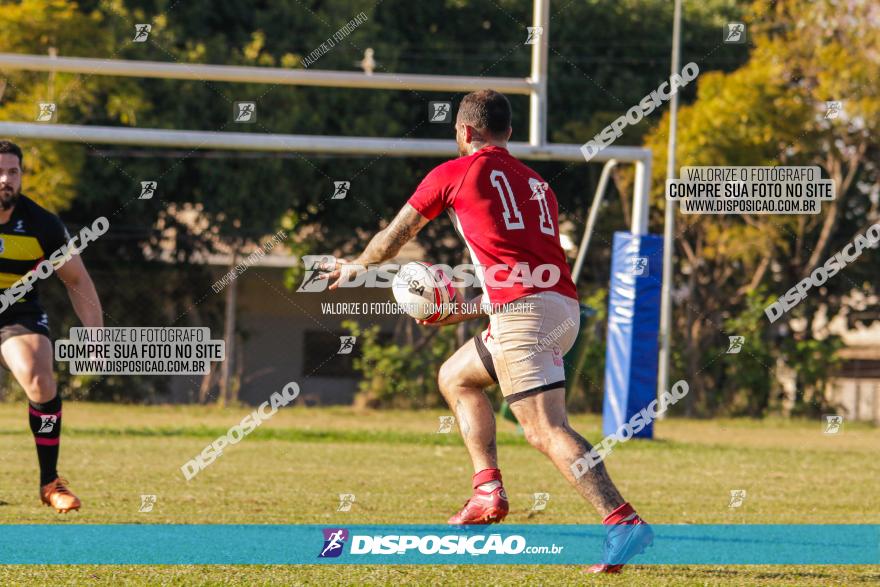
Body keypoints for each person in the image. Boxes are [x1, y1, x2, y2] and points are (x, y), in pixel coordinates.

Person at [322, 90, 652, 573]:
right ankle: (487, 491)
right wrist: (465, 310)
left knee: (545, 429)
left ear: (463, 132)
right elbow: (524, 274)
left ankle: (621, 521)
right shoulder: (539, 183)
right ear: (509, 134)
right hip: (557, 305)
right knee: (456, 376)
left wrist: (356, 266)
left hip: (525, 314)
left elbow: (394, 237)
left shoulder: (452, 174)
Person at [0, 140, 104, 513]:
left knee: (41, 379)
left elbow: (77, 281)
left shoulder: (43, 224)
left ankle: (50, 482)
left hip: (17, 314)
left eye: (13, 171)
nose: (5, 179)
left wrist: (95, 334)